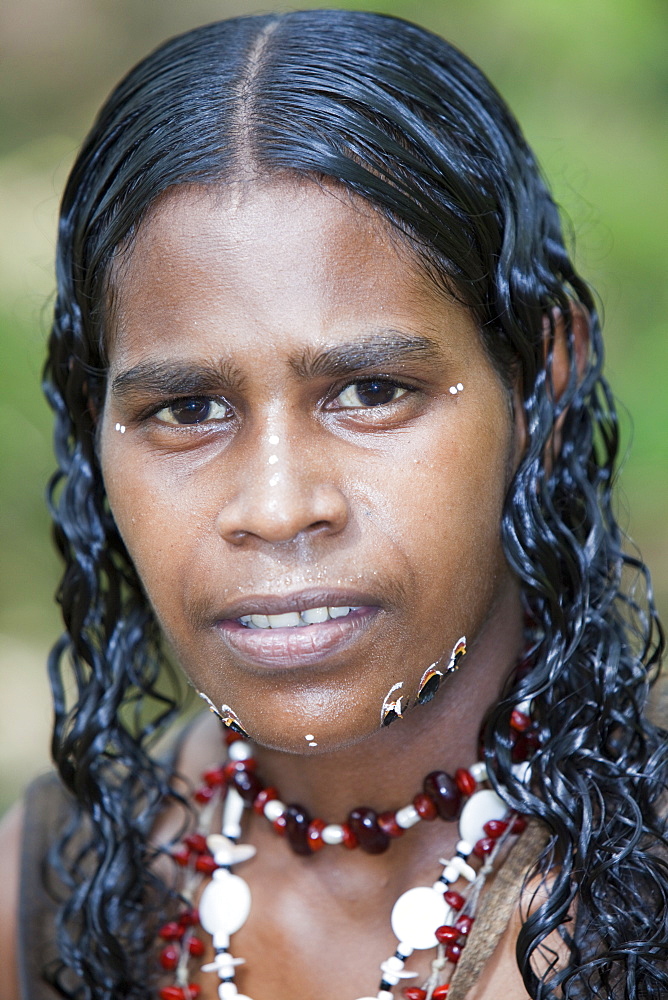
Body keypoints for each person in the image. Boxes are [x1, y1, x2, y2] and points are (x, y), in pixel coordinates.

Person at [0, 9, 665, 999]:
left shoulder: (634, 889)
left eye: (369, 392)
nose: (274, 506)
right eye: (186, 407)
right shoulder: (45, 895)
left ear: (541, 383)